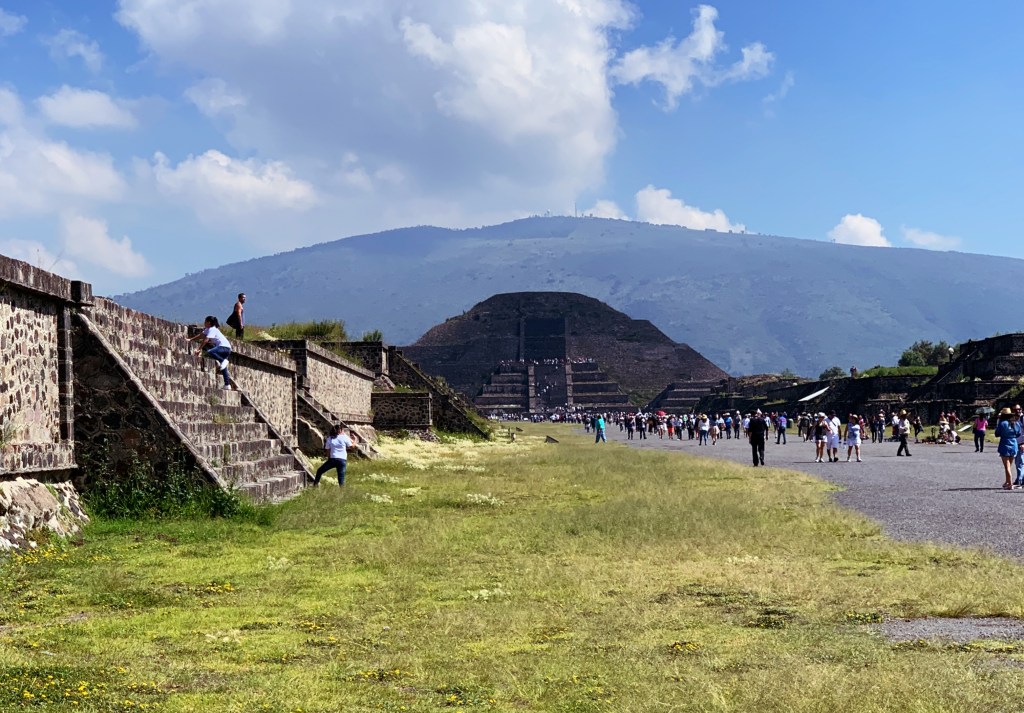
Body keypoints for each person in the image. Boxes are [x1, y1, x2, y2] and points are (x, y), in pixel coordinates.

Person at [187, 316, 233, 390]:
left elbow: (206, 339)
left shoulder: (212, 329)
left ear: (208, 322)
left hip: (224, 347)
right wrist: (190, 339)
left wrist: (199, 349)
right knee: (223, 367)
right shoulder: (208, 329)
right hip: (227, 348)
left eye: (205, 321)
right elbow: (201, 336)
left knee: (210, 351)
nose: (204, 323)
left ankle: (224, 360)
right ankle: (227, 384)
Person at [995, 408, 1021, 490]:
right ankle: (1007, 481)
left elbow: (997, 433)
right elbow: (1018, 433)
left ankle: (1010, 483)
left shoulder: (1002, 423)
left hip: (1005, 443)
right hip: (1014, 443)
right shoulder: (1015, 423)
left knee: (1007, 466)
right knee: (1010, 464)